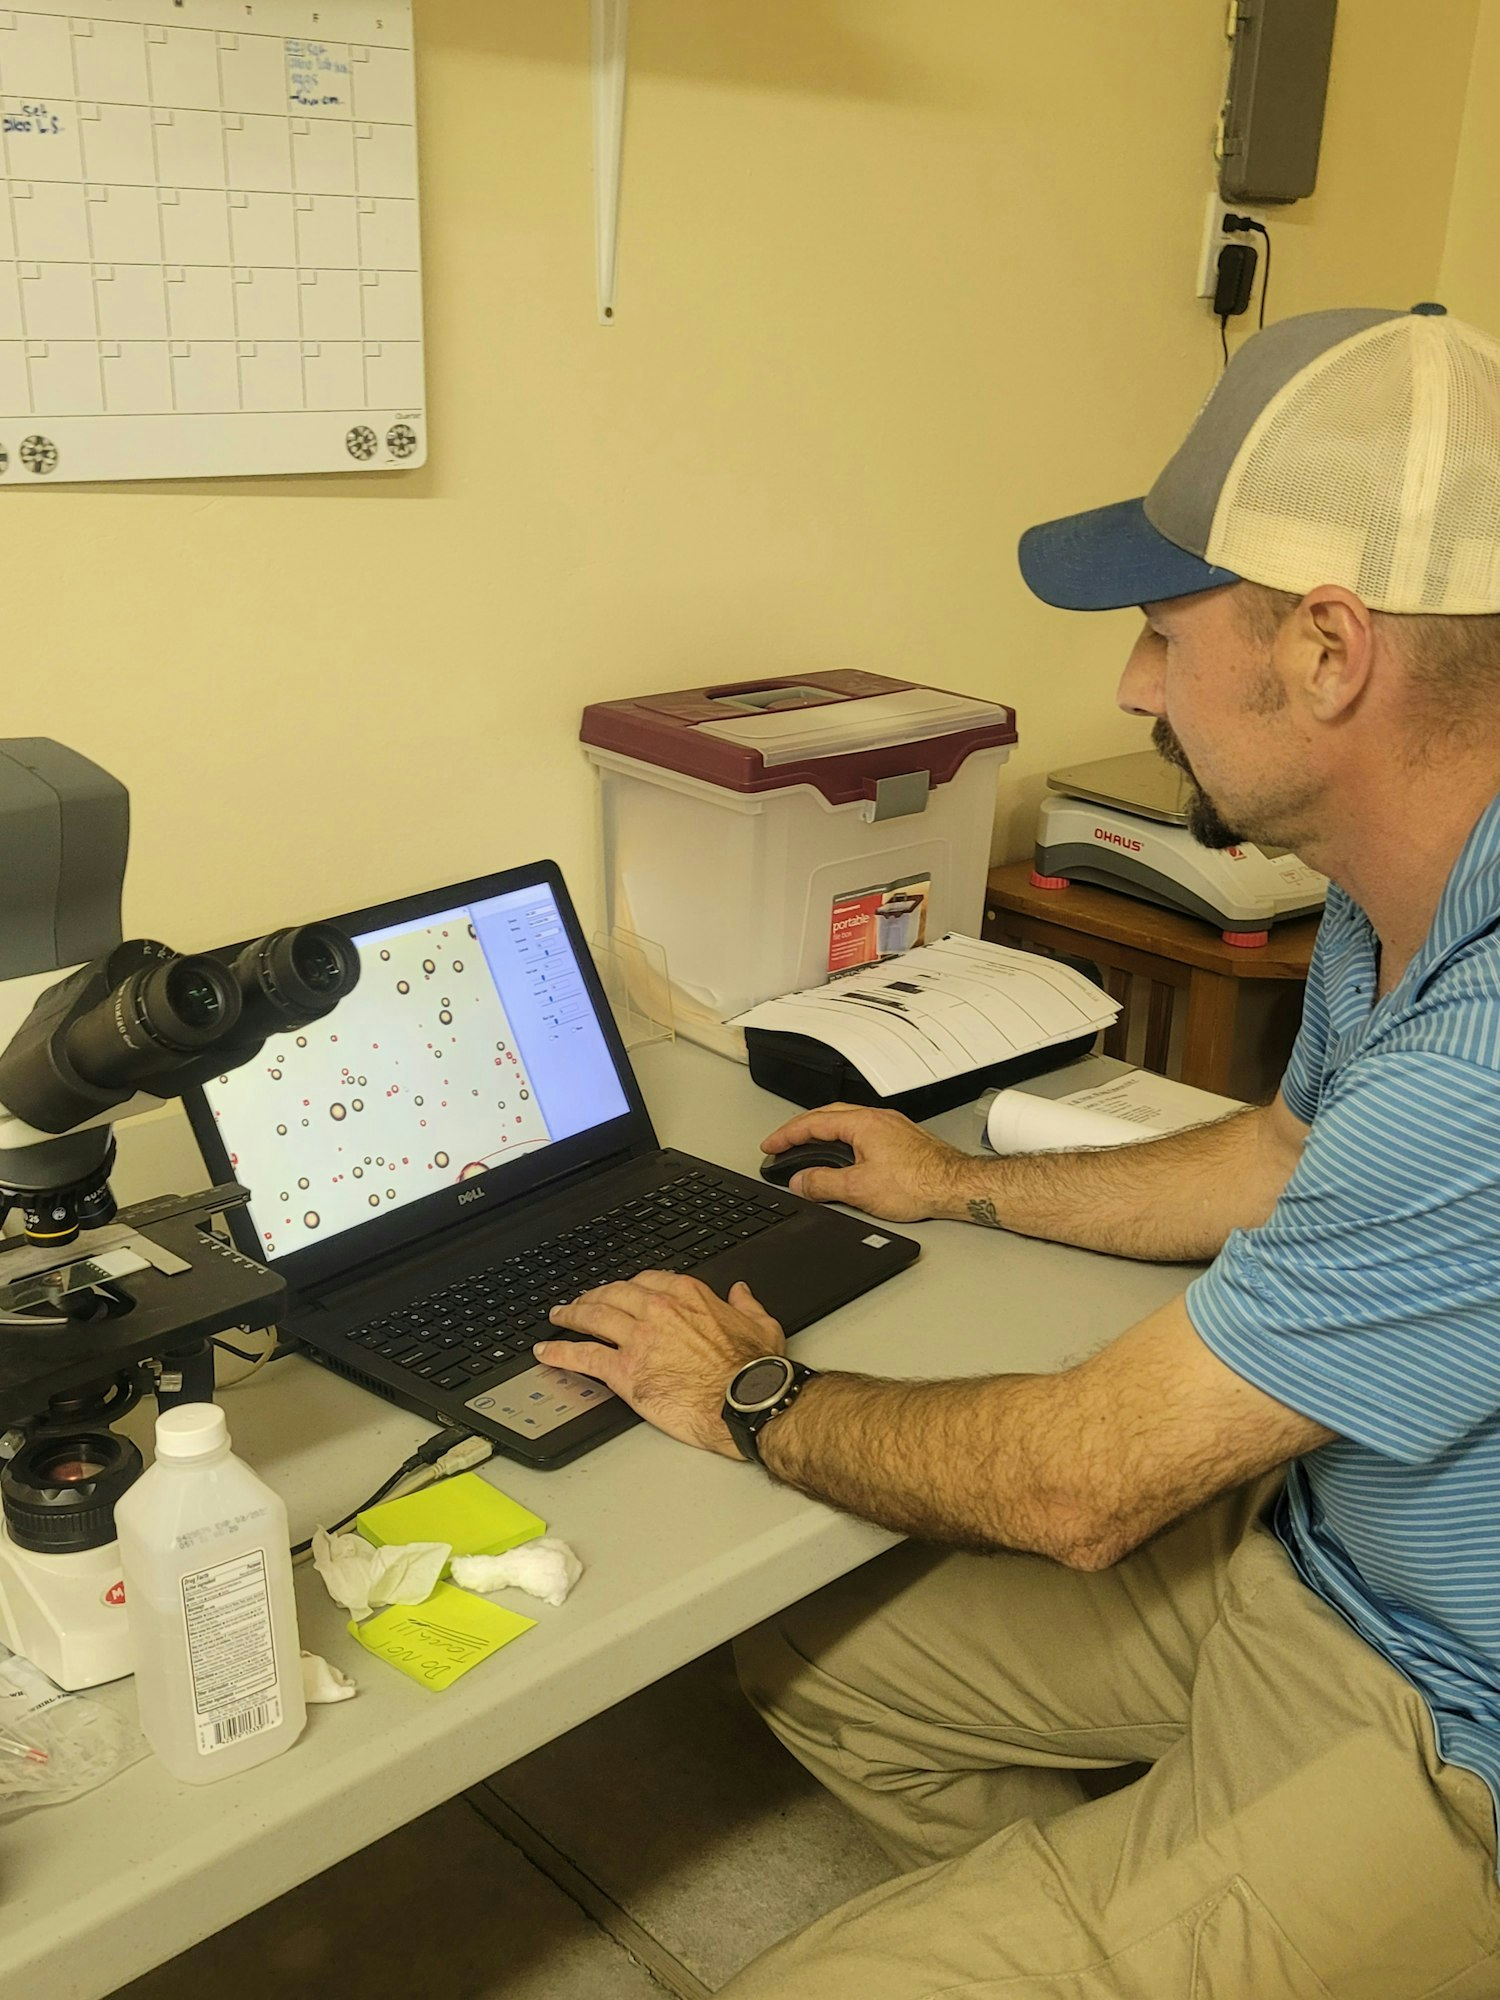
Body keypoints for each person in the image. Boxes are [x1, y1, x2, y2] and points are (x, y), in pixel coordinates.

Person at [539, 305, 1500, 1996]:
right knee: (819, 1652)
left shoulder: (1483, 1071)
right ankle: (1197, 1882)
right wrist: (956, 1178)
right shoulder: (1400, 884)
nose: (1133, 685)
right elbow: (1286, 1160)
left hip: (1459, 1726)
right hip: (1320, 1560)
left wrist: (749, 1394)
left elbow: (1078, 1483)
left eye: (1158, 631)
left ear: (1330, 652)